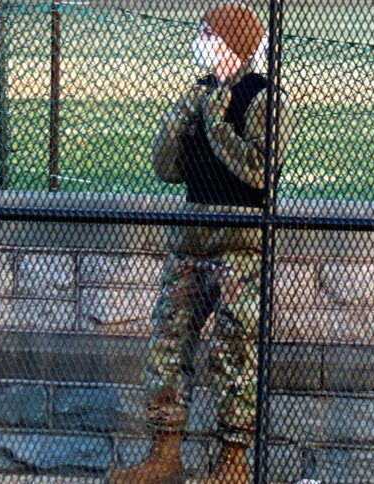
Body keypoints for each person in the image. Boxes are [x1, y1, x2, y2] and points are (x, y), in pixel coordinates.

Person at [107, 2, 294, 483]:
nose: (201, 42)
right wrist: (182, 117)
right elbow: (167, 168)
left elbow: (259, 170)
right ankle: (164, 456)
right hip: (191, 239)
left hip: (240, 246)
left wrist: (216, 126)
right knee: (168, 345)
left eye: (208, 34)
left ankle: (232, 465)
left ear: (232, 42)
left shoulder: (264, 98)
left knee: (235, 351)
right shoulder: (200, 93)